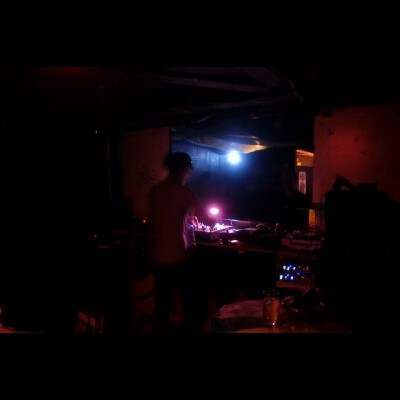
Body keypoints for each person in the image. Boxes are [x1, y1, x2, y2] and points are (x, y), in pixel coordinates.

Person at [147, 152, 206, 333]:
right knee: (191, 302)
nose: (188, 177)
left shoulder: (155, 191)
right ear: (183, 170)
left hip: (159, 256)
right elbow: (206, 216)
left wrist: (187, 219)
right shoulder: (184, 193)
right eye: (188, 172)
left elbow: (163, 219)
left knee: (162, 303)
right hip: (180, 257)